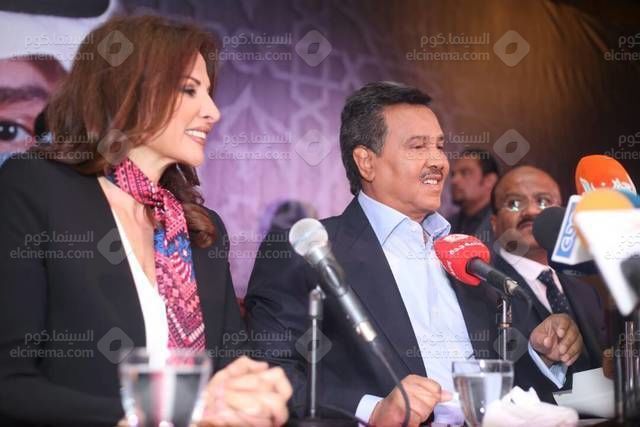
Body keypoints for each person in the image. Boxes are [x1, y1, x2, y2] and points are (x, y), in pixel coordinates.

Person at [0, 15, 291, 427]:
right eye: (189, 90)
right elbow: (9, 383)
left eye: (209, 93)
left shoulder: (202, 231)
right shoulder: (35, 187)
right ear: (128, 90)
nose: (213, 112)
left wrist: (251, 393)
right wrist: (158, 413)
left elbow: (227, 372)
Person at [245, 81, 584, 426]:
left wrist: (540, 353)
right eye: (418, 146)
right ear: (366, 162)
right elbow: (271, 375)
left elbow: (497, 372)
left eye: (439, 146)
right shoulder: (310, 251)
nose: (438, 161)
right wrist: (373, 409)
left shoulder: (463, 253)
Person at [490, 165, 606, 372]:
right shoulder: (483, 290)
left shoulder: (587, 293)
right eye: (514, 203)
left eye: (543, 202)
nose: (531, 211)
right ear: (494, 223)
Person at [448, 148, 499, 246]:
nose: (454, 180)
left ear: (489, 180)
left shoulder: (503, 224)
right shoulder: (447, 224)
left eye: (465, 173)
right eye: (453, 174)